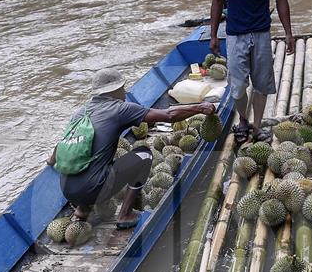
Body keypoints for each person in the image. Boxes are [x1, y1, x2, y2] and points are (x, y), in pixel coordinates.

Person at [48, 69, 216, 229]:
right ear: (115, 91)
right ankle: (125, 215)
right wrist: (200, 108)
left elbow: (58, 151)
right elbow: (169, 115)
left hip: (67, 190)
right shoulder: (119, 108)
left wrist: (50, 161)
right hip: (93, 189)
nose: (125, 92)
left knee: (98, 157)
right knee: (144, 153)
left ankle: (82, 210)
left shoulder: (80, 112)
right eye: (123, 88)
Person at [210, 0, 295, 144]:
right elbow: (217, 1)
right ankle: (243, 120)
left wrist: (288, 33)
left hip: (261, 32)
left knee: (261, 84)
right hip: (235, 33)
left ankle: (256, 127)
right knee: (237, 88)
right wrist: (213, 35)